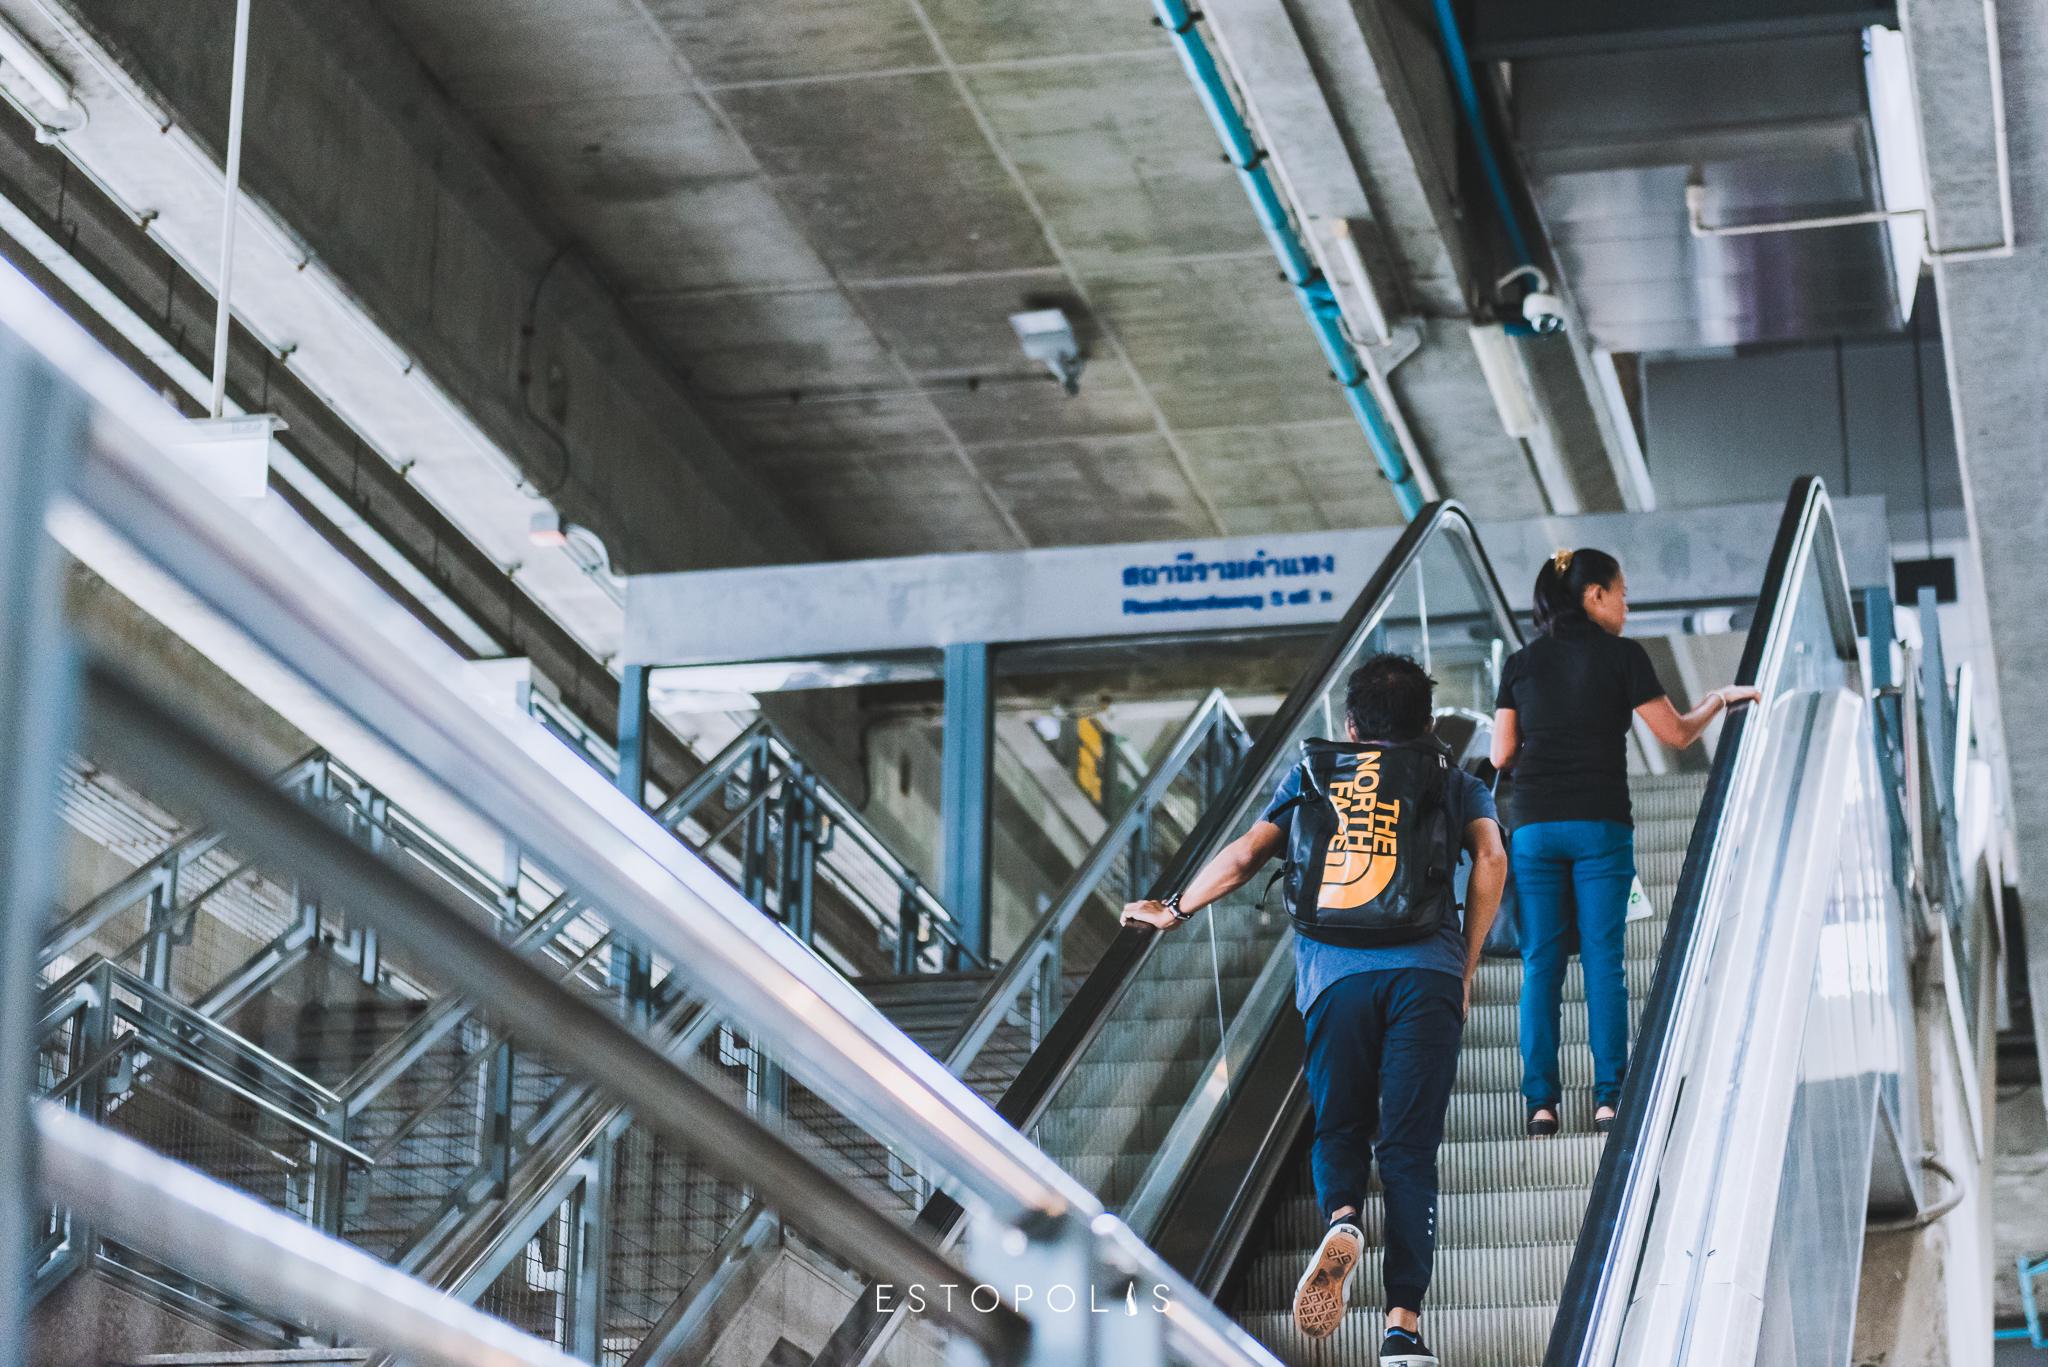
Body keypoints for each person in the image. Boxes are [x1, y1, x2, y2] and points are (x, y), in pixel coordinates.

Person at [1122, 654, 1506, 1363]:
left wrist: (1172, 908)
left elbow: (1242, 857)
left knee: (1341, 1121)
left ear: (1351, 726)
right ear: (1427, 722)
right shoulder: (1453, 781)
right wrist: (1468, 960)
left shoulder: (1312, 775)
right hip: (1426, 971)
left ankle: (1344, 1216)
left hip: (1334, 976)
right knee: (1410, 1148)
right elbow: (1490, 860)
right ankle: (1402, 1329)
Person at [1489, 548, 1760, 1138]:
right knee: (1604, 963)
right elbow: (1676, 734)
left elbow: (1500, 754)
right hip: (1599, 824)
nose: (1627, 604)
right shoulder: (1623, 658)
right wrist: (1719, 699)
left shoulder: (1520, 663)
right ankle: (1608, 1098)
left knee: (1541, 966)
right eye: (1622, 592)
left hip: (1534, 825)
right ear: (1594, 597)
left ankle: (1540, 1104)